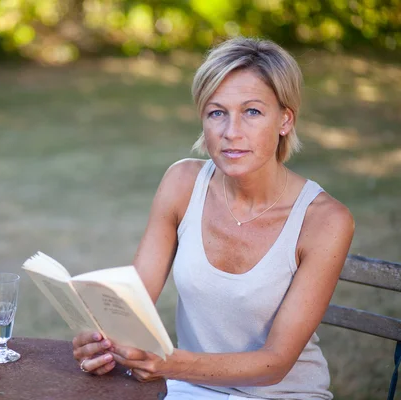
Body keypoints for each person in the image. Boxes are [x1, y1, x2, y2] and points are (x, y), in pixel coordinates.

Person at [71, 36, 355, 399]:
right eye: (216, 112)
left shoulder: (325, 221)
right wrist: (99, 338)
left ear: (285, 120)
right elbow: (133, 301)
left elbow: (277, 361)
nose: (231, 132)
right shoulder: (182, 183)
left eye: (252, 112)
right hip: (187, 389)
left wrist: (169, 363)